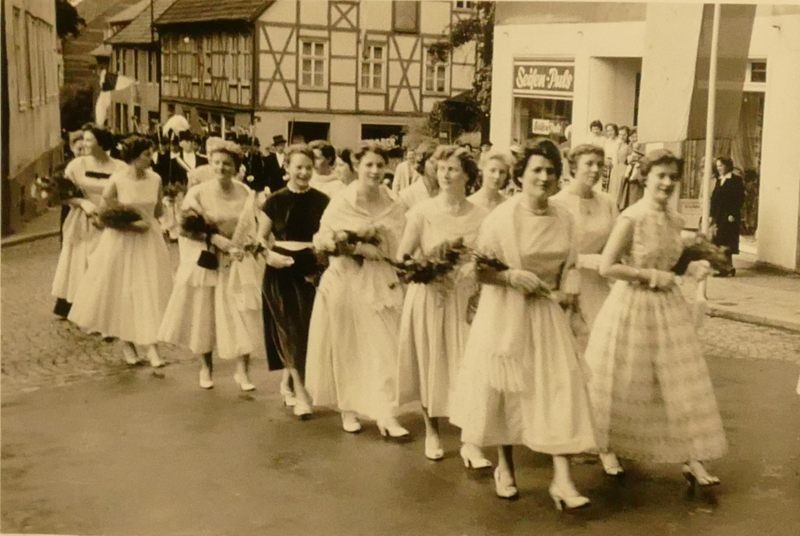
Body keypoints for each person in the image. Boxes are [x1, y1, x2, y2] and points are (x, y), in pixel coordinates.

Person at [451, 141, 596, 509]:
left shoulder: (564, 216)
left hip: (547, 314)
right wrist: (512, 276)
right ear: (521, 175)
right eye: (537, 170)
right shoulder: (502, 218)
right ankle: (506, 467)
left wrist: (570, 287)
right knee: (506, 392)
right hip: (506, 314)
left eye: (550, 171)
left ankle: (562, 481)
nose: (544, 178)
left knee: (560, 388)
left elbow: (572, 264)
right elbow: (479, 270)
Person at [585, 149, 727, 485]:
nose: (666, 183)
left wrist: (691, 266)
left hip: (668, 307)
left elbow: (671, 261)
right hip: (632, 304)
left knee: (681, 381)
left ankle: (692, 457)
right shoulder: (631, 218)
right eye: (660, 175)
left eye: (672, 177)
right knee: (621, 378)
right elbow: (608, 266)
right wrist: (649, 276)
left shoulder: (676, 220)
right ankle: (606, 446)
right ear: (645, 177)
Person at [305, 142, 411, 437]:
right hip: (346, 280)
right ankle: (348, 408)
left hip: (380, 280)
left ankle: (387, 413)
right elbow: (323, 241)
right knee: (347, 346)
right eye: (369, 165)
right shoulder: (342, 201)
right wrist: (357, 246)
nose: (375, 171)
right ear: (357, 166)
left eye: (380, 165)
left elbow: (400, 244)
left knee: (386, 348)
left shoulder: (394, 202)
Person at [395, 146, 491, 465]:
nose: (445, 174)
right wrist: (427, 265)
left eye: (452, 169)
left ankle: (470, 441)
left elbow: (489, 257)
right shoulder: (422, 212)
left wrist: (475, 272)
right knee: (430, 361)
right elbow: (402, 259)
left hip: (465, 298)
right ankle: (432, 430)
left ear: (468, 175)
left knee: (468, 365)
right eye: (441, 168)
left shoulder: (481, 216)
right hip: (429, 296)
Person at [158, 140, 266, 390]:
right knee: (204, 314)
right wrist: (213, 238)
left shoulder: (245, 193)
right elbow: (184, 229)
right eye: (216, 163)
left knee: (243, 312)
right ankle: (206, 368)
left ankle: (243, 370)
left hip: (237, 260)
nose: (221, 168)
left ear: (236, 167)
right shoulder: (198, 193)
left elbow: (254, 224)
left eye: (227, 163)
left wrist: (246, 245)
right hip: (207, 261)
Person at [68, 136, 173, 367]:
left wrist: (153, 217)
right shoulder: (117, 180)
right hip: (122, 241)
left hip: (148, 240)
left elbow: (156, 210)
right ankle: (128, 343)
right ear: (134, 157)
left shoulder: (155, 178)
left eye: (151, 153)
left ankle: (152, 348)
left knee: (149, 290)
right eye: (147, 154)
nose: (151, 158)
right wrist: (129, 222)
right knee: (124, 290)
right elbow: (105, 212)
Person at [261, 145, 330, 418]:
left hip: (311, 270)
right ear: (286, 167)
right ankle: (302, 395)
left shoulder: (323, 200)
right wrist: (269, 256)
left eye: (308, 167)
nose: (303, 172)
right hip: (281, 271)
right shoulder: (274, 201)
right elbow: (258, 240)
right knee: (290, 332)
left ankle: (289, 380)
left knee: (310, 331)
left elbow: (329, 235)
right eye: (298, 167)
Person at [52, 125, 127, 318]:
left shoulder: (120, 167)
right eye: (83, 140)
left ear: (101, 143)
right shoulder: (76, 166)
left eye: (89, 140)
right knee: (82, 261)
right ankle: (81, 307)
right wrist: (83, 203)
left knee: (107, 262)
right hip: (83, 220)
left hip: (109, 220)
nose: (84, 144)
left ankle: (105, 307)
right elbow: (61, 195)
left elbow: (127, 194)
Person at [552, 144, 618, 338]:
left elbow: (617, 243)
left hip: (599, 283)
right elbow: (553, 251)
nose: (595, 170)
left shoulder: (608, 202)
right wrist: (584, 260)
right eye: (589, 164)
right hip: (568, 284)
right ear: (573, 167)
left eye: (600, 165)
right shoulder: (557, 203)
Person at [710, 157, 745, 277]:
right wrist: (711, 215)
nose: (719, 168)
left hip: (729, 216)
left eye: (721, 165)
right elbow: (714, 199)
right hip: (719, 215)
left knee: (725, 241)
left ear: (727, 166)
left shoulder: (735, 180)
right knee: (719, 241)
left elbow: (739, 199)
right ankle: (728, 267)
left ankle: (724, 268)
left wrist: (732, 214)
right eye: (717, 166)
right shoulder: (719, 180)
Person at [398, 142, 438, 210]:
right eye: (432, 162)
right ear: (422, 164)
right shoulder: (407, 196)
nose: (438, 166)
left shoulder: (447, 191)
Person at [617, 129, 644, 211]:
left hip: (638, 169)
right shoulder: (628, 146)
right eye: (632, 136)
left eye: (636, 136)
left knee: (635, 189)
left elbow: (643, 156)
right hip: (629, 168)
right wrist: (628, 159)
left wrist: (636, 158)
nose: (634, 138)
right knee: (627, 188)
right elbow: (625, 159)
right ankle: (626, 205)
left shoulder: (642, 145)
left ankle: (635, 206)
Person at [606, 125, 631, 202]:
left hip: (623, 168)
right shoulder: (616, 144)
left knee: (620, 189)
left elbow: (629, 160)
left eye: (624, 135)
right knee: (613, 188)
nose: (622, 137)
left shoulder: (628, 146)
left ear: (627, 135)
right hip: (615, 168)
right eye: (620, 134)